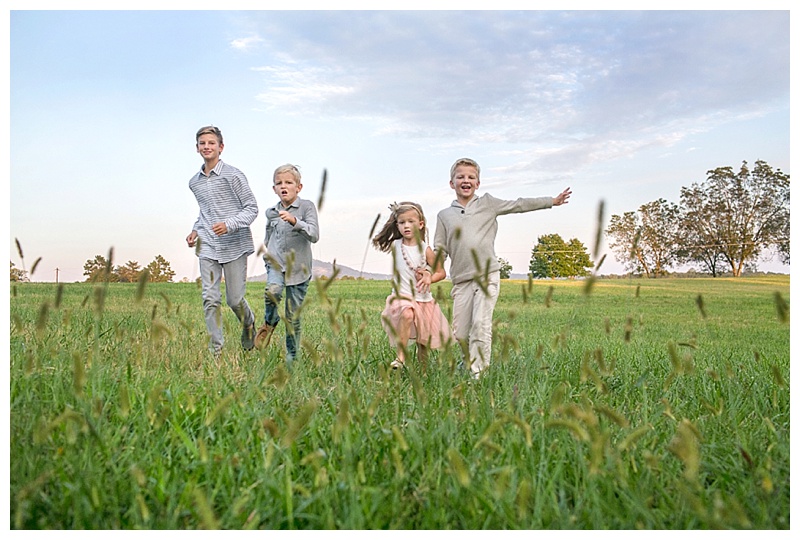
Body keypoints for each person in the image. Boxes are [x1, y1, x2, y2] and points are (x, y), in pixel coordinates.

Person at [433, 158, 571, 379]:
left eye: (471, 177)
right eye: (460, 177)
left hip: (487, 275)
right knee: (460, 333)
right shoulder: (444, 216)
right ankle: (467, 362)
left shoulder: (488, 203)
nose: (465, 180)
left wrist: (551, 201)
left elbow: (518, 204)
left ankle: (478, 374)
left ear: (478, 183)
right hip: (461, 279)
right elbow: (440, 247)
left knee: (480, 323)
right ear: (452, 183)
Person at [186, 125, 259, 356]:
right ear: (197, 148)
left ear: (221, 147)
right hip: (207, 244)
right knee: (210, 297)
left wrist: (229, 224)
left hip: (234, 245)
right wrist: (196, 230)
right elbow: (204, 212)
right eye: (202, 143)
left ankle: (248, 324)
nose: (206, 147)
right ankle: (215, 352)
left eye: (211, 143)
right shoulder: (194, 182)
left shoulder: (233, 175)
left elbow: (252, 209)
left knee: (234, 299)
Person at [373, 201, 452, 370]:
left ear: (421, 224)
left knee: (423, 341)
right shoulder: (396, 245)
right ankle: (400, 357)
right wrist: (394, 213)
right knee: (407, 314)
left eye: (411, 222)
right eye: (402, 222)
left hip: (423, 299)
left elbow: (441, 272)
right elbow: (383, 238)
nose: (406, 226)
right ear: (397, 225)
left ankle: (423, 372)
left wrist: (430, 277)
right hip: (402, 296)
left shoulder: (425, 249)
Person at [254, 164, 320, 367]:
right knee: (273, 290)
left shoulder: (307, 207)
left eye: (289, 183)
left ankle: (292, 358)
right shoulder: (271, 212)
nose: (284, 186)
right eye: (279, 183)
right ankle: (270, 322)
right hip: (275, 263)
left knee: (292, 317)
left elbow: (314, 235)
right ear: (274, 188)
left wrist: (294, 221)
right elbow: (268, 236)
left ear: (298, 187)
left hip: (299, 269)